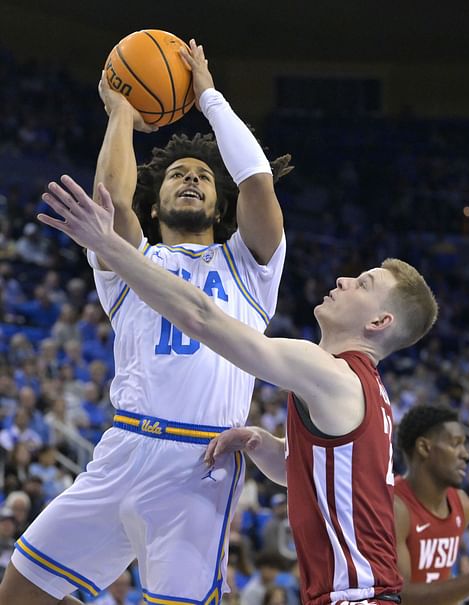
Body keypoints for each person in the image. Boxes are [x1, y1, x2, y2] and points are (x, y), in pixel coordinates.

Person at [35, 174, 440, 604]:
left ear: (379, 323)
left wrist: (107, 243)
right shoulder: (370, 390)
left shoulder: (330, 371)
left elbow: (201, 317)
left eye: (363, 284)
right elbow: (313, 478)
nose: (343, 280)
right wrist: (264, 443)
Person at [0, 41, 291, 605]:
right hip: (121, 448)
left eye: (203, 177)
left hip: (197, 464)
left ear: (219, 204)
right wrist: (121, 115)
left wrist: (207, 95)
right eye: (177, 174)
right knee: (19, 592)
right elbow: (109, 200)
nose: (190, 179)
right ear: (153, 206)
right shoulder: (131, 261)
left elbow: (258, 184)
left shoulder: (250, 268)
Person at [394, 404, 469, 605]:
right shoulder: (395, 508)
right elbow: (400, 597)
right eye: (455, 444)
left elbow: (441, 573)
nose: (466, 455)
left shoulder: (463, 504)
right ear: (424, 447)